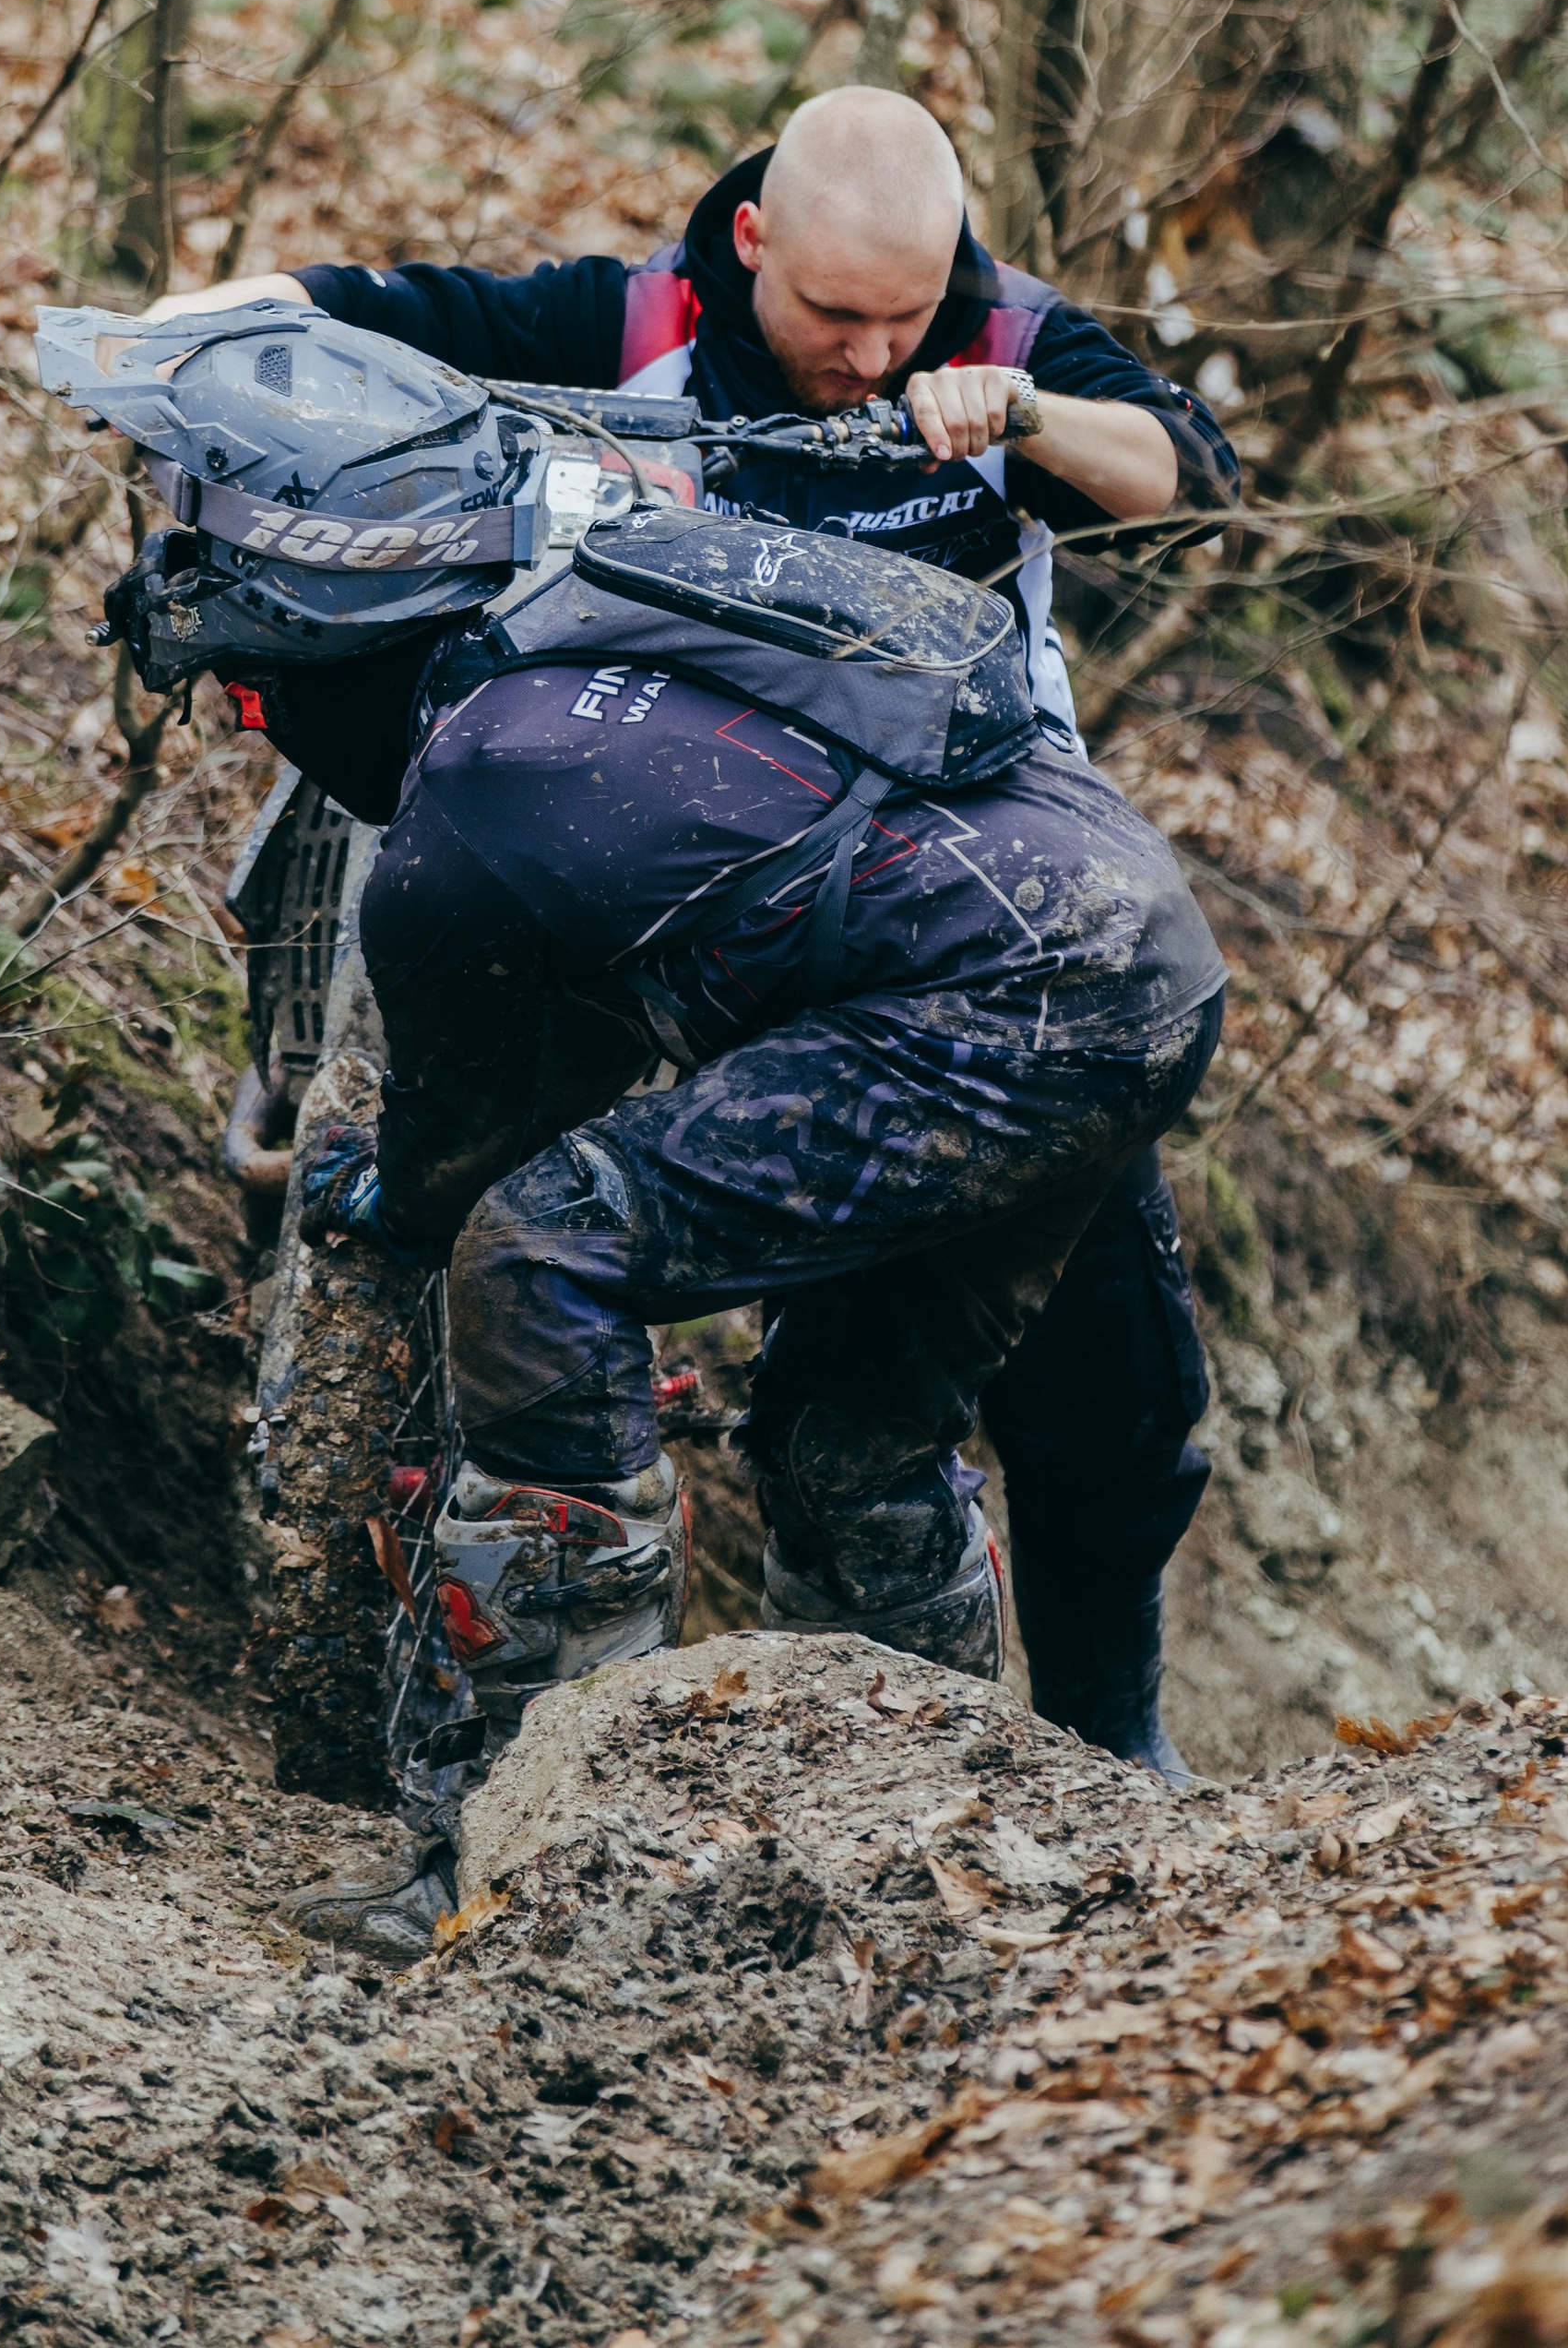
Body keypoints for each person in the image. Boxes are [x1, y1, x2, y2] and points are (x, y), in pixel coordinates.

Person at [66, 302, 1227, 1951]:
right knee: (850, 1435)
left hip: (1003, 995)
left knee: (538, 1254)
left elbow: (465, 1154)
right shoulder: (618, 598)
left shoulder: (476, 794)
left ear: (317, 657)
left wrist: (392, 1195)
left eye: (250, 700)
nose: (257, 721)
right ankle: (919, 1866)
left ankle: (539, 1857)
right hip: (1134, 946)